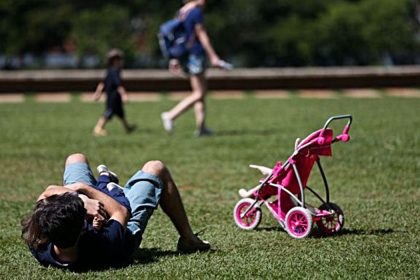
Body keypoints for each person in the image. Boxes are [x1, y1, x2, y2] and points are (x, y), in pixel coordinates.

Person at [22, 153, 210, 270]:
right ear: (82, 228)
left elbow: (47, 193)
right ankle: (188, 240)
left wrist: (81, 201)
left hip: (84, 215)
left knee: (75, 158)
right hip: (124, 224)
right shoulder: (105, 243)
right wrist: (84, 190)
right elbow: (120, 211)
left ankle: (103, 182)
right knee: (156, 168)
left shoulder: (39, 241)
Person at [160, 0, 226, 136]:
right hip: (196, 54)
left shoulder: (182, 12)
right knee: (199, 93)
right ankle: (171, 115)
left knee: (200, 92)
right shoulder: (195, 12)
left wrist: (174, 59)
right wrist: (213, 56)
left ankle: (201, 128)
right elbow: (201, 34)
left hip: (186, 55)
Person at [93, 49, 135, 136]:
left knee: (121, 113)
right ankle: (98, 128)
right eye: (120, 60)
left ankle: (127, 127)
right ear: (115, 61)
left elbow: (102, 83)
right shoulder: (115, 72)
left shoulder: (110, 70)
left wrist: (98, 93)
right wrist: (124, 95)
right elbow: (119, 85)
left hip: (113, 96)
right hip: (113, 97)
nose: (122, 62)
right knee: (109, 112)